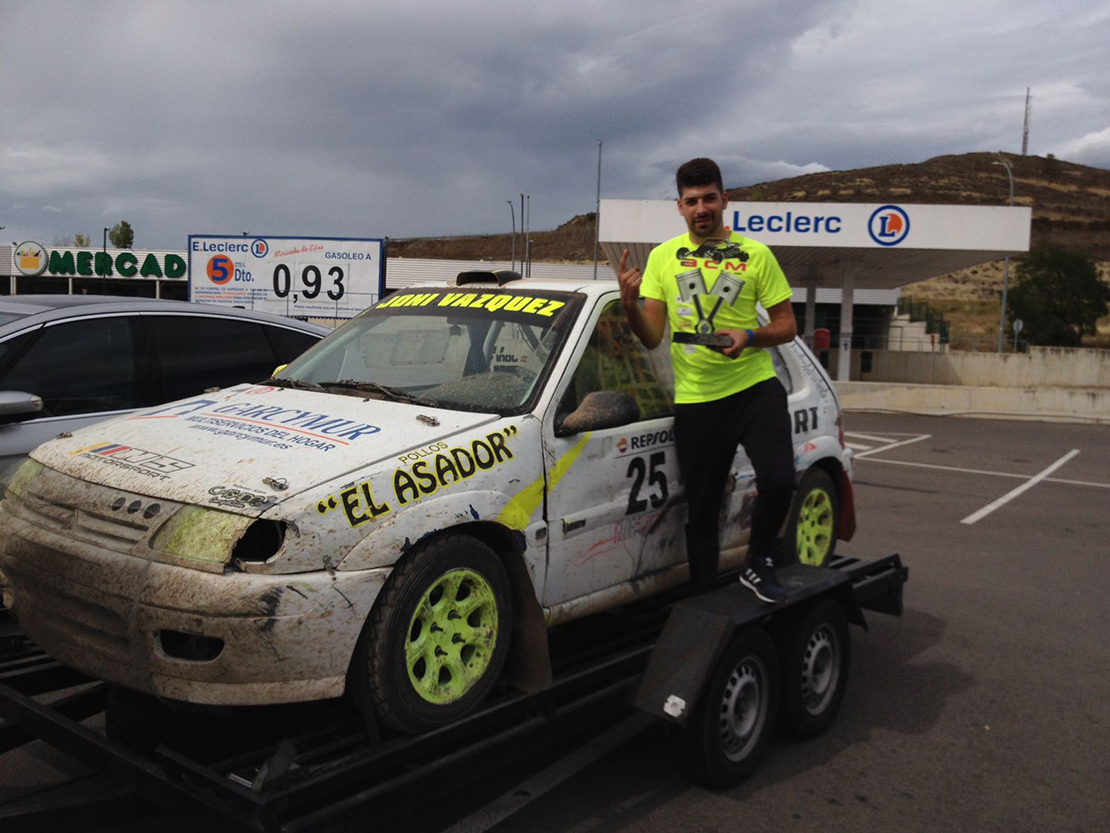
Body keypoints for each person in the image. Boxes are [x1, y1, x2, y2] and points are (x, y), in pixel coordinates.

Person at [617, 157, 797, 603]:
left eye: (709, 198)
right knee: (701, 511)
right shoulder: (663, 258)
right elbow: (653, 335)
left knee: (778, 479)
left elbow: (788, 325)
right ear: (679, 206)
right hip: (698, 401)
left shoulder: (756, 255)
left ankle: (758, 562)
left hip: (755, 388)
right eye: (692, 201)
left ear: (724, 200)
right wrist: (629, 305)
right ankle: (704, 599)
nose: (702, 208)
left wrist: (750, 335)